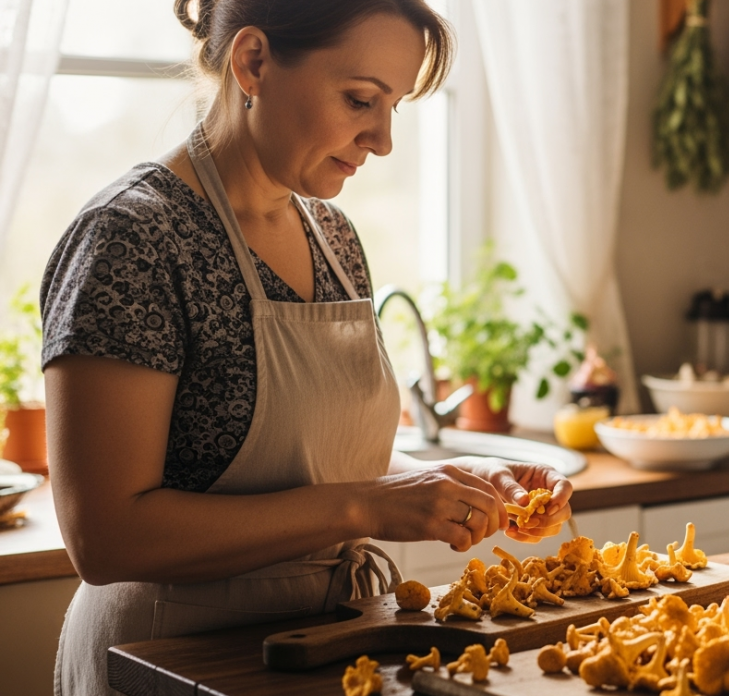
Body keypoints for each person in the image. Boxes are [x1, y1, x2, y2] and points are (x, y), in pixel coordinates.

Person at [39, 2, 572, 694]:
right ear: (254, 62)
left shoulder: (334, 237)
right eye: (360, 100)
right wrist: (368, 506)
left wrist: (455, 480)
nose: (382, 140)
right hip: (164, 659)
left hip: (325, 647)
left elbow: (315, 461)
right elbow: (106, 538)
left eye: (393, 108)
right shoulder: (132, 238)